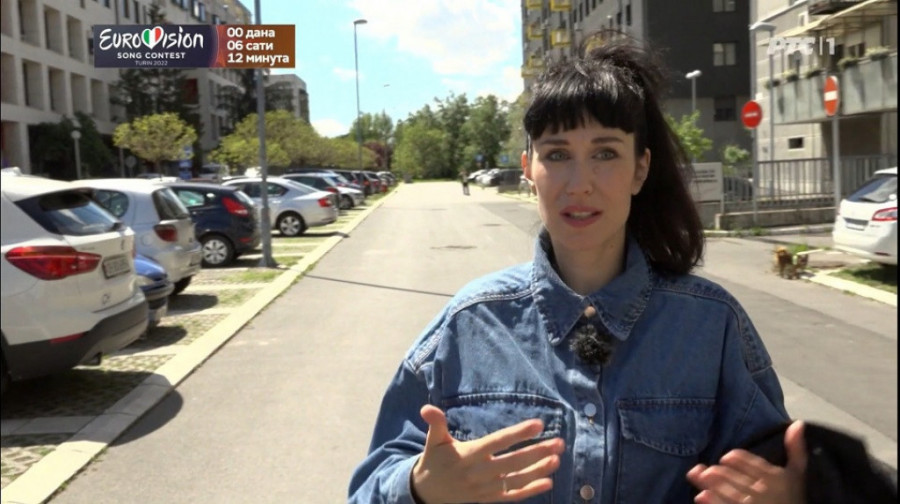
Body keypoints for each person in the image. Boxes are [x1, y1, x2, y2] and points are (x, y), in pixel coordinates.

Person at [348, 31, 808, 504]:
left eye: (605, 153)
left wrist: (791, 495)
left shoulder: (711, 328)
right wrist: (419, 487)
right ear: (529, 170)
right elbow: (367, 490)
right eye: (557, 155)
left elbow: (774, 473)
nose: (579, 183)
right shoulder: (468, 326)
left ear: (640, 169)